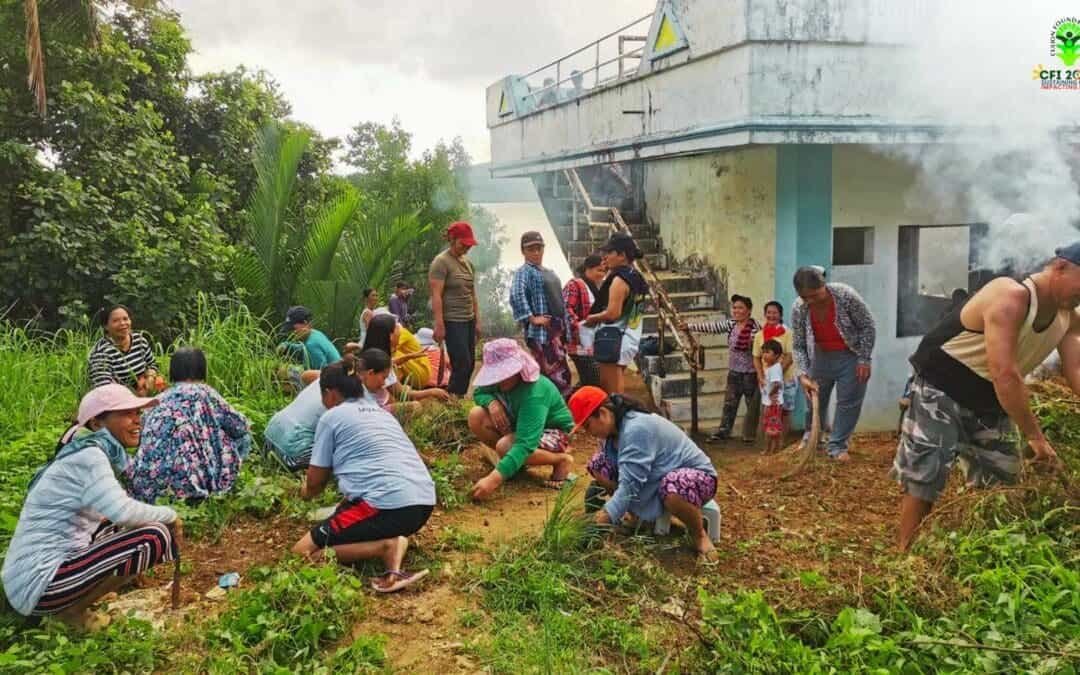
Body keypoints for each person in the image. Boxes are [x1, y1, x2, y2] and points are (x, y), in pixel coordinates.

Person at [893, 244, 1080, 551]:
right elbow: (1005, 373)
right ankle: (905, 556)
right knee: (926, 472)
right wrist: (1035, 437)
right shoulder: (1010, 296)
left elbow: (1075, 369)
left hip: (990, 398)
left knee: (1001, 481)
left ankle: (983, 552)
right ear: (1060, 267)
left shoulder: (1068, 315)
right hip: (942, 386)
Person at [2, 385, 180, 619]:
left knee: (119, 526)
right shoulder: (90, 456)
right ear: (97, 423)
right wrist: (172, 515)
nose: (138, 420)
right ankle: (72, 613)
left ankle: (77, 598)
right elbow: (123, 512)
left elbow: (115, 512)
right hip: (38, 585)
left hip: (26, 580)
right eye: (127, 413)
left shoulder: (87, 451)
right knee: (155, 534)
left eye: (138, 413)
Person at [291, 356, 435, 593]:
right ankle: (392, 548)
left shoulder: (331, 418)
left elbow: (315, 485)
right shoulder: (381, 413)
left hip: (387, 505)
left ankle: (385, 546)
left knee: (301, 553)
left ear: (330, 393)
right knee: (347, 513)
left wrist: (302, 492)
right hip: (423, 502)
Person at [570, 386, 719, 557]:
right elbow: (627, 475)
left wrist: (602, 518)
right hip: (656, 475)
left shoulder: (637, 429)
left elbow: (629, 487)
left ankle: (699, 535)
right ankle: (637, 517)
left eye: (588, 426)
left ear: (603, 413)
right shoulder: (612, 433)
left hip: (697, 479)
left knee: (673, 486)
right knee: (598, 464)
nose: (589, 433)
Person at [128, 348, 253, 503]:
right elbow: (239, 425)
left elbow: (142, 430)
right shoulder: (205, 393)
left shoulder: (159, 399)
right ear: (202, 368)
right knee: (243, 436)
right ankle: (221, 481)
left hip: (147, 486)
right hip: (187, 486)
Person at [468, 339, 576, 499]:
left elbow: (525, 443)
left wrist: (493, 479)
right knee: (476, 416)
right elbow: (479, 393)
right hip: (522, 425)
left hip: (554, 432)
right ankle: (513, 464)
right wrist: (492, 402)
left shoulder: (535, 392)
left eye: (503, 373)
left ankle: (561, 459)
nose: (498, 379)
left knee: (505, 447)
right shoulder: (499, 382)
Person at [791, 267, 876, 461]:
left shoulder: (845, 295)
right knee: (814, 400)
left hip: (850, 355)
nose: (811, 301)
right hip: (819, 356)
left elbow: (867, 326)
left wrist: (864, 358)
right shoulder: (799, 307)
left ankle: (837, 445)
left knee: (848, 402)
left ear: (823, 285)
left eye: (815, 295)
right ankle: (812, 438)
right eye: (806, 297)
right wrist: (803, 373)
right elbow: (798, 344)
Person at [683, 294, 762, 442]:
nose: (737, 311)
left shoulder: (755, 329)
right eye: (735, 307)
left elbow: (761, 351)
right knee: (729, 404)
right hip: (734, 372)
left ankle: (751, 435)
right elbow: (712, 327)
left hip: (751, 374)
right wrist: (690, 326)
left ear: (749, 311)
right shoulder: (731, 324)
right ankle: (723, 432)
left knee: (752, 406)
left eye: (741, 308)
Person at [585, 232, 649, 394]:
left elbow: (613, 314)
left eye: (609, 253)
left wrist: (591, 318)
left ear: (622, 255)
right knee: (616, 386)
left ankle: (617, 418)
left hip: (612, 339)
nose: (604, 257)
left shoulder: (619, 280)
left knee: (613, 394)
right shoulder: (636, 277)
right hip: (629, 336)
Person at [510, 231, 572, 397]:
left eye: (539, 248)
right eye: (531, 249)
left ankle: (561, 408)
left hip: (556, 333)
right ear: (523, 251)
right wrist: (531, 318)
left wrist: (567, 330)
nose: (536, 252)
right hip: (541, 334)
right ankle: (548, 411)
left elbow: (560, 302)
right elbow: (517, 294)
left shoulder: (549, 272)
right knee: (548, 374)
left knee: (562, 373)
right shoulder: (524, 272)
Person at [429, 221, 481, 396]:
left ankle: (457, 398)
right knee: (461, 363)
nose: (466, 248)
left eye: (469, 245)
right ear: (452, 239)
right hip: (452, 320)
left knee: (471, 363)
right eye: (463, 244)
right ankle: (452, 398)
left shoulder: (468, 264)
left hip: (468, 319)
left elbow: (472, 294)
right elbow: (436, 295)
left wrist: (478, 321)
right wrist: (439, 324)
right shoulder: (441, 262)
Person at [87, 305, 162, 395]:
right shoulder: (101, 352)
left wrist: (150, 377)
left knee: (160, 383)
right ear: (106, 326)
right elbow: (103, 387)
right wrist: (135, 395)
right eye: (116, 321)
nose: (122, 323)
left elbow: (152, 364)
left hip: (144, 388)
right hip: (118, 398)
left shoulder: (140, 340)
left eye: (125, 319)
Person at [357, 347, 449, 414]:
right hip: (382, 416)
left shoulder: (373, 367)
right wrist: (431, 392)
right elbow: (402, 393)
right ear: (371, 373)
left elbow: (393, 362)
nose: (384, 383)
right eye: (384, 378)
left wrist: (409, 356)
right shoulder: (358, 398)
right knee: (416, 406)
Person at [264, 377, 326, 472]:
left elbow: (306, 375)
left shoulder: (330, 376)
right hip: (292, 456)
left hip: (269, 439)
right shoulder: (350, 396)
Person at [563, 254, 606, 387]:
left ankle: (573, 402)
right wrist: (577, 328)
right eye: (599, 270)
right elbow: (566, 309)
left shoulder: (597, 287)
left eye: (604, 271)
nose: (602, 274)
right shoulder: (575, 284)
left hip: (592, 344)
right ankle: (569, 402)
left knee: (589, 381)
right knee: (593, 380)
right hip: (579, 345)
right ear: (588, 269)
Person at [753, 301, 796, 431]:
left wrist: (776, 374)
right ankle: (769, 443)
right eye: (769, 313)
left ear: (780, 315)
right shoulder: (759, 335)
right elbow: (756, 357)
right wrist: (761, 376)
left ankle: (782, 445)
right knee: (769, 411)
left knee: (785, 411)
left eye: (775, 313)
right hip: (766, 381)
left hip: (786, 378)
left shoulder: (788, 333)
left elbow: (789, 356)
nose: (771, 315)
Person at [363, 314, 433, 390]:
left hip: (421, 375)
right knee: (394, 353)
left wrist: (409, 356)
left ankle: (394, 386)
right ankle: (393, 387)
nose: (399, 328)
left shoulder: (370, 357)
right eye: (396, 326)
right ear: (390, 336)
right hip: (419, 377)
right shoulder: (381, 357)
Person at [278, 306, 341, 389]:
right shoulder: (315, 333)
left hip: (334, 383)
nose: (292, 332)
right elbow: (303, 350)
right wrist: (287, 346)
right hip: (338, 375)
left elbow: (320, 378)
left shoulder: (312, 345)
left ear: (305, 323)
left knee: (284, 372)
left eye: (293, 328)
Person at [759, 340, 785, 454]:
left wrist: (770, 394)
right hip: (771, 403)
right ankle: (774, 449)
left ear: (776, 355)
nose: (764, 355)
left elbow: (777, 384)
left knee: (771, 428)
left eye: (767, 352)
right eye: (763, 352)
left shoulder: (774, 369)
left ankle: (769, 449)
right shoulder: (773, 367)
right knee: (772, 427)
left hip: (773, 404)